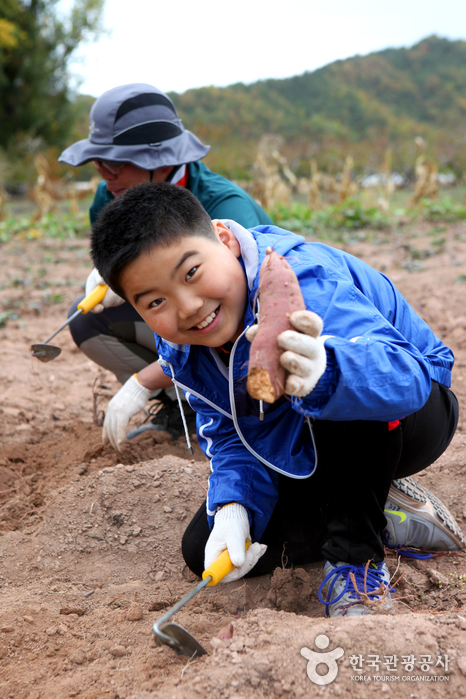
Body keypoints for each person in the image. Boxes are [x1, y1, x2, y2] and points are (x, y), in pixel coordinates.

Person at [90, 182, 464, 617]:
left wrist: (331, 370)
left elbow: (408, 378)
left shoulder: (301, 279)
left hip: (411, 407)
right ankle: (386, 514)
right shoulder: (181, 348)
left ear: (225, 239)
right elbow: (230, 434)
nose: (188, 306)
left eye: (191, 272)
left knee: (335, 394)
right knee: (204, 551)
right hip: (299, 433)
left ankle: (356, 562)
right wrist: (233, 506)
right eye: (156, 301)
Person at [58, 83, 273, 450]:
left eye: (113, 162)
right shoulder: (111, 196)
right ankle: (183, 406)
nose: (104, 174)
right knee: (88, 320)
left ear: (160, 160)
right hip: (188, 321)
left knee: (207, 314)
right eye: (97, 163)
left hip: (246, 329)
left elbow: (254, 317)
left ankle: (232, 409)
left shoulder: (225, 206)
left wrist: (144, 380)